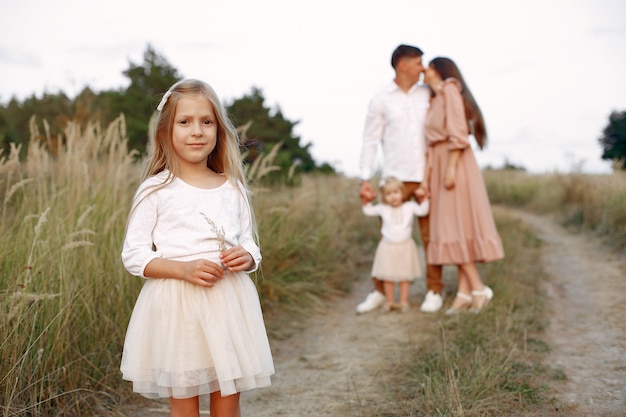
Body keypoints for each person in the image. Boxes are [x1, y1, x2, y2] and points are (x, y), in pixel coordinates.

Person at [120, 79, 274, 417]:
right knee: (185, 401)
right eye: (184, 122)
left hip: (228, 303)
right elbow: (134, 255)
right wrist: (183, 269)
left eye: (207, 122)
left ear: (218, 130)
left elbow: (248, 241)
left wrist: (247, 257)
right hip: (179, 307)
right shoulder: (155, 189)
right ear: (165, 131)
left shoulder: (232, 187)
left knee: (227, 396)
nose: (197, 131)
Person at [357, 44, 445, 314]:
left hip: (426, 177)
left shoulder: (427, 94)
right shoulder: (381, 98)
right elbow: (370, 140)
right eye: (419, 63)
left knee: (431, 238)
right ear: (402, 65)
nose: (424, 68)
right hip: (394, 179)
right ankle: (380, 292)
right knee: (388, 238)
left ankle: (434, 290)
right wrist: (365, 179)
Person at [418, 57, 505, 314]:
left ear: (437, 70)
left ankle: (478, 289)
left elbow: (458, 132)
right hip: (440, 163)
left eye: (428, 66)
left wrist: (452, 168)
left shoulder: (450, 90)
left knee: (454, 228)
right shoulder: (435, 98)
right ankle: (465, 293)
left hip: (454, 164)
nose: (423, 70)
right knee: (454, 229)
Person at [362, 177, 430, 313]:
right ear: (384, 196)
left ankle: (404, 302)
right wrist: (366, 200)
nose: (393, 197)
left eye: (396, 192)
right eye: (388, 194)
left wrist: (424, 198)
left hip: (405, 246)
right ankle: (390, 301)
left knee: (404, 276)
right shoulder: (382, 209)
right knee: (388, 276)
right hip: (388, 247)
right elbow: (368, 211)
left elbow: (423, 211)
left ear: (402, 193)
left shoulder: (409, 207)